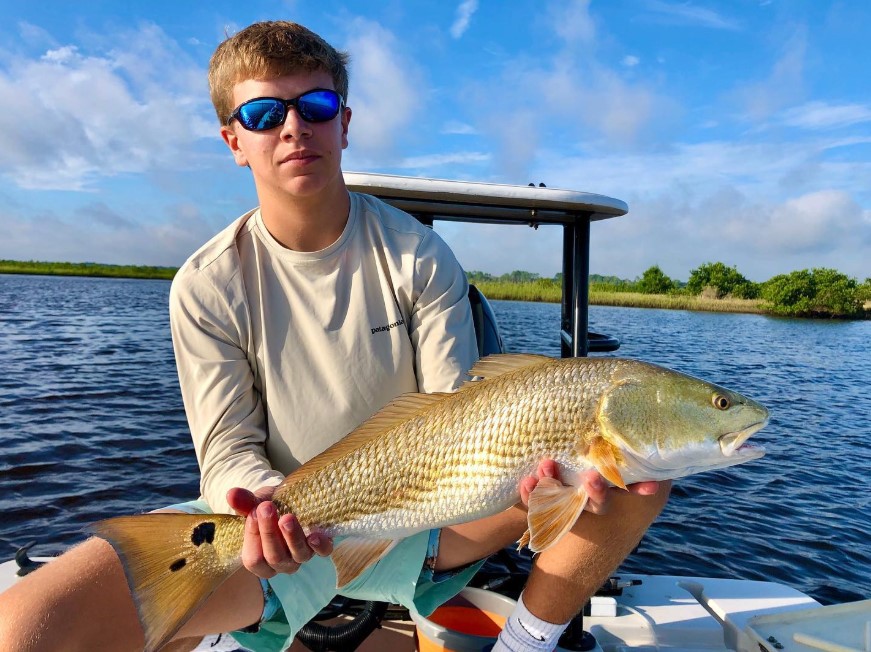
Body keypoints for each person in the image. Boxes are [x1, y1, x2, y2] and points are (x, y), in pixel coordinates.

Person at [0, 20, 669, 652]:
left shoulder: (420, 256)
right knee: (26, 626)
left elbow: (453, 413)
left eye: (315, 105)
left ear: (343, 123)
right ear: (234, 140)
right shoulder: (205, 284)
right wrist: (262, 511)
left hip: (432, 521)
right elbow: (227, 447)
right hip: (285, 537)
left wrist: (531, 479)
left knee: (640, 472)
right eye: (264, 114)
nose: (293, 128)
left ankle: (526, 641)